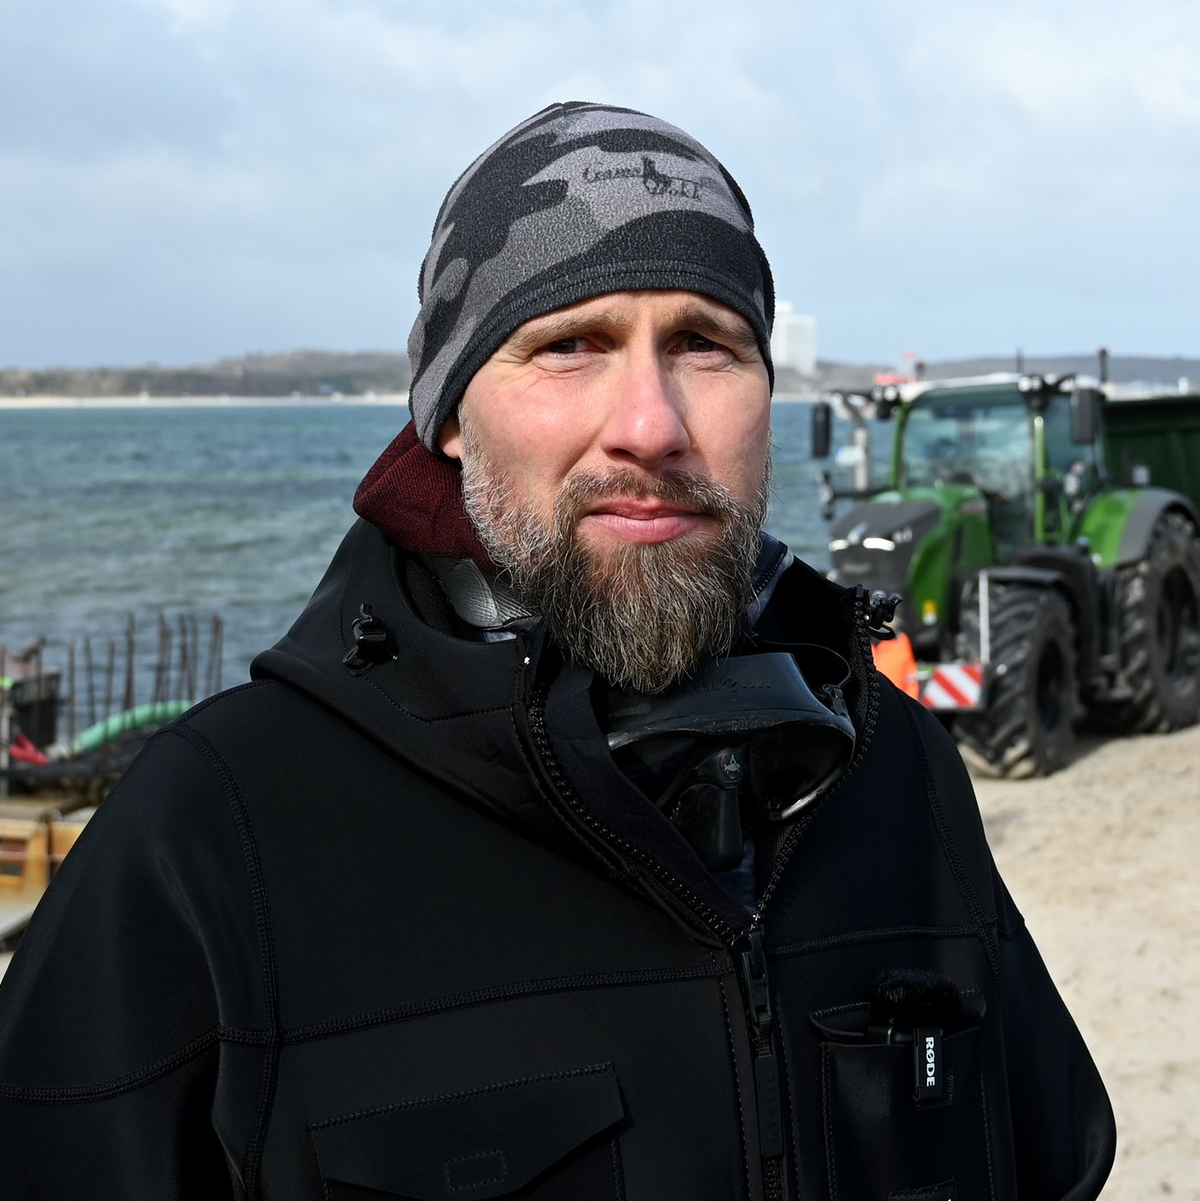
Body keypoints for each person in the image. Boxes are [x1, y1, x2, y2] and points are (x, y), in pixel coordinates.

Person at [0, 101, 1114, 1200]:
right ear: (445, 417)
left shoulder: (890, 769)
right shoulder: (213, 835)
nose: (651, 421)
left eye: (704, 344)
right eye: (569, 344)